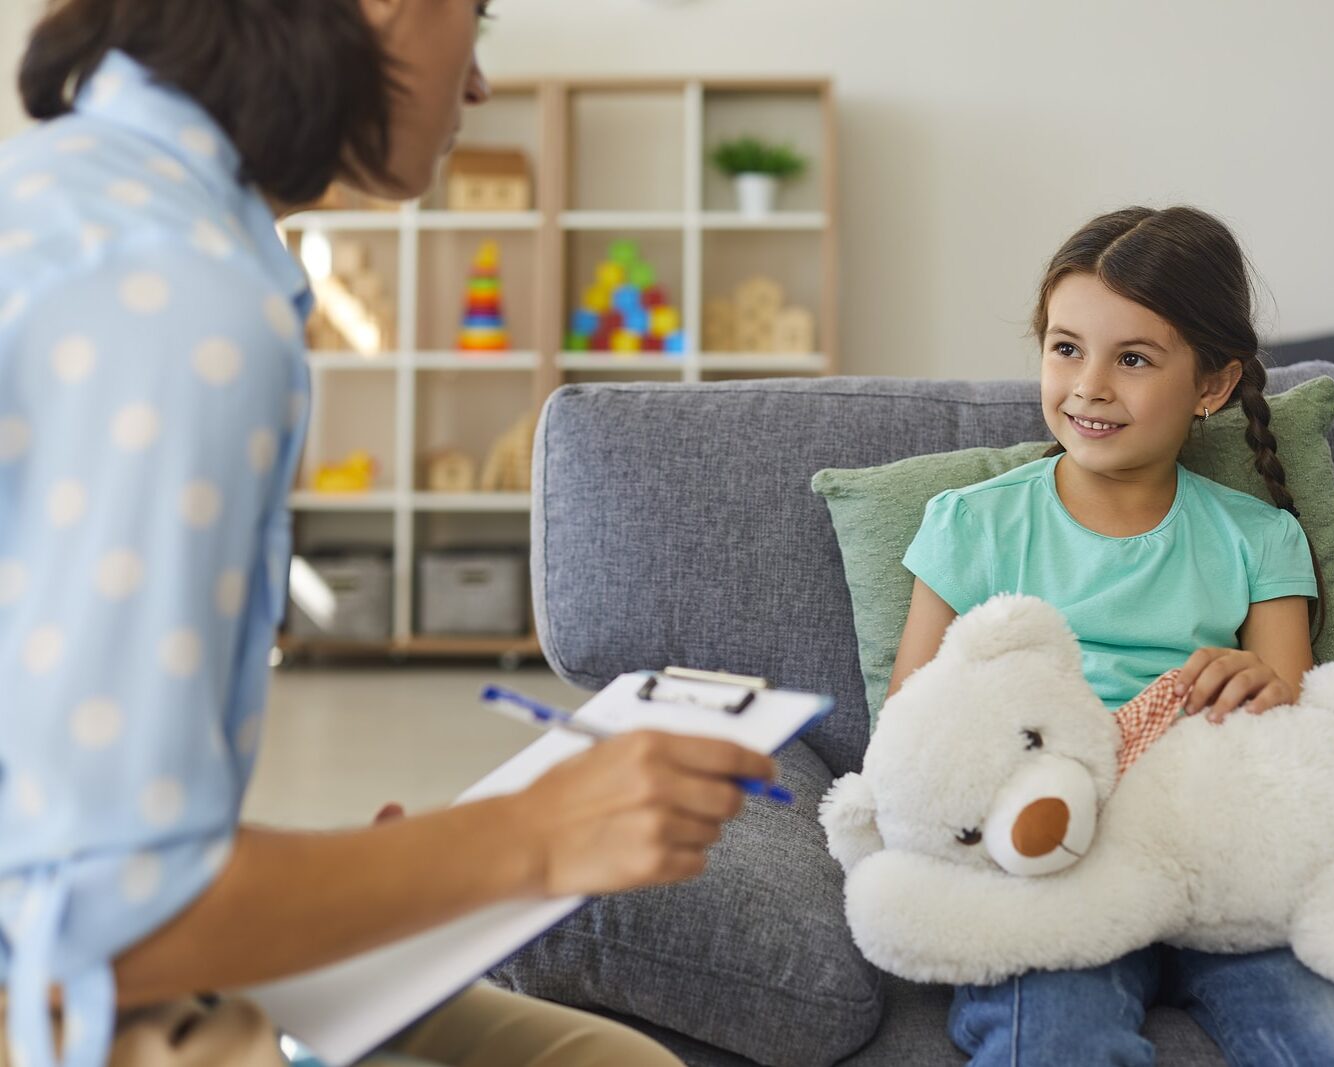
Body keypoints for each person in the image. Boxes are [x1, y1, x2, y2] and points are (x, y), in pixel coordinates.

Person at [0, 2, 778, 1065]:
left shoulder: (68, 200)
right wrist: (532, 834)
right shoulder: (183, 300)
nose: (477, 85)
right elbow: (108, 915)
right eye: (477, 14)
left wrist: (365, 878)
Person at [888, 206, 1334, 1066]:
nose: (1088, 385)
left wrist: (1257, 682)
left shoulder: (1258, 537)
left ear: (1211, 386)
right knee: (1048, 1040)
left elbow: (1290, 704)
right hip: (1056, 863)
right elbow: (914, 715)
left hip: (1221, 856)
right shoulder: (970, 525)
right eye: (1065, 348)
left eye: (1132, 358)